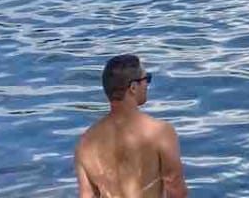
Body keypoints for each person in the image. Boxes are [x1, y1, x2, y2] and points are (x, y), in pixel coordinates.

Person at [75, 55, 188, 198]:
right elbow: (175, 187)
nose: (147, 84)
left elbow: (86, 195)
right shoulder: (159, 132)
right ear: (133, 87)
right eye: (146, 79)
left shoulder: (85, 142)